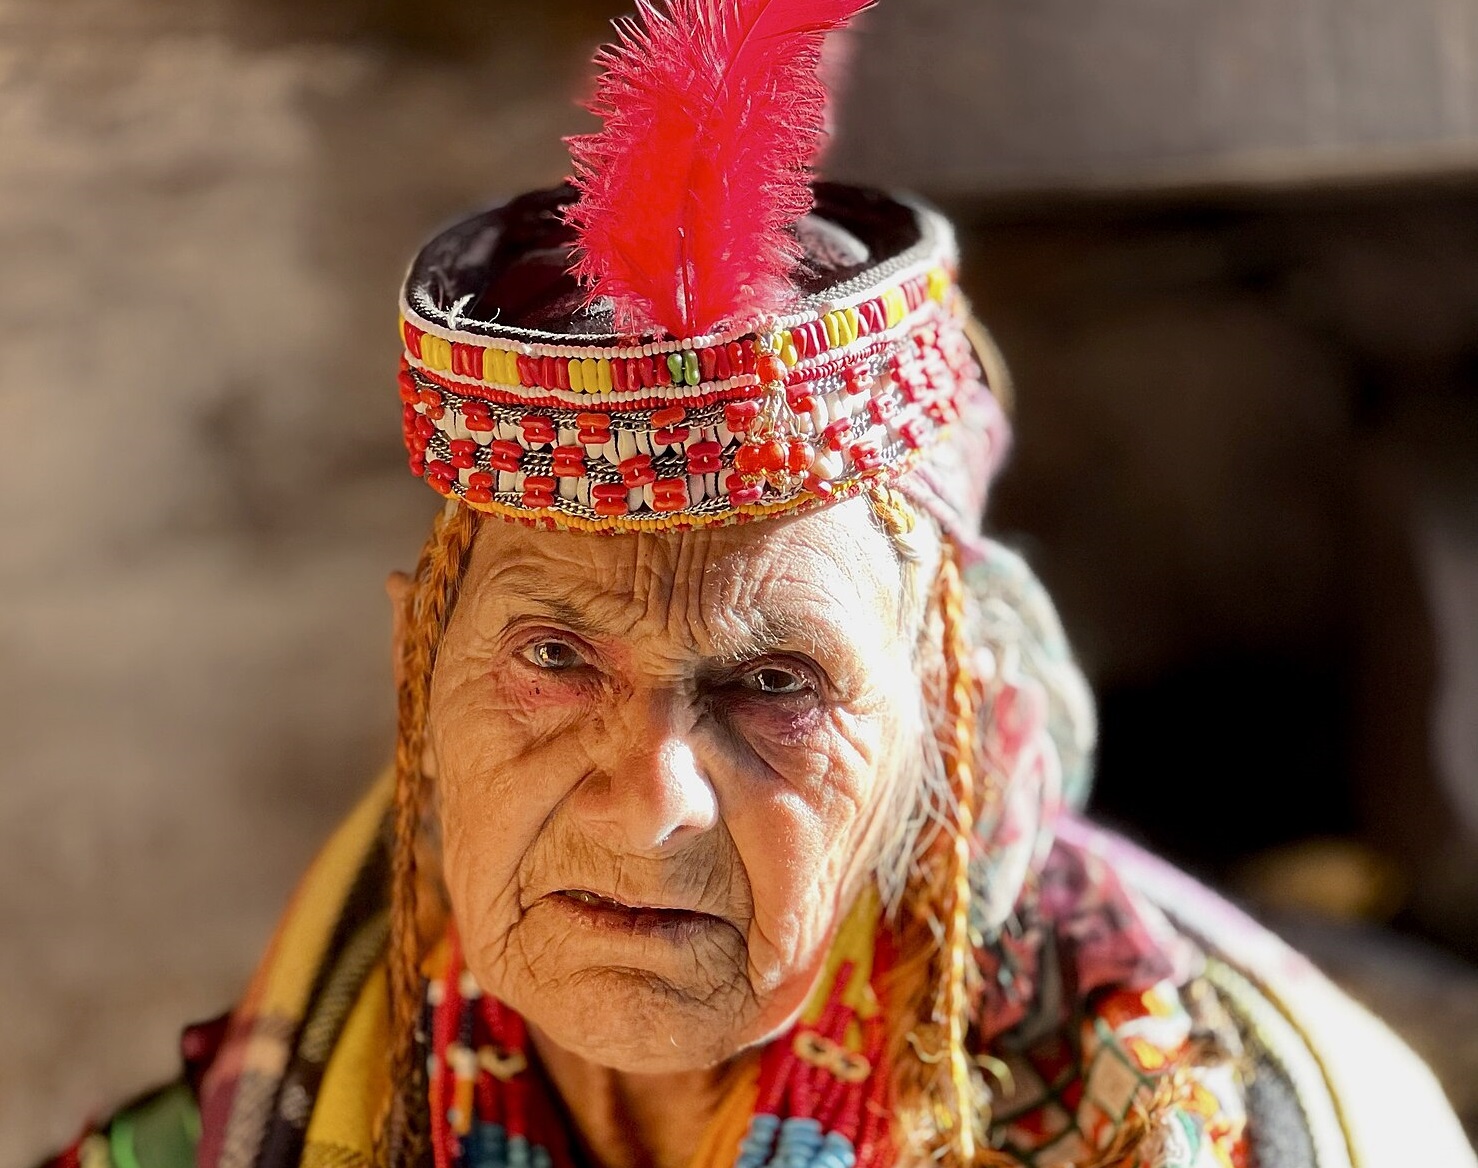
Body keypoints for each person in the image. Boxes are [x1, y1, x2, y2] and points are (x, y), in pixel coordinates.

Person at [45, 4, 1474, 1168]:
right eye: (550, 657)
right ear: (423, 666)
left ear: (948, 706)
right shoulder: (318, 1067)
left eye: (774, 684)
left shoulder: (1230, 1131)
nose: (648, 804)